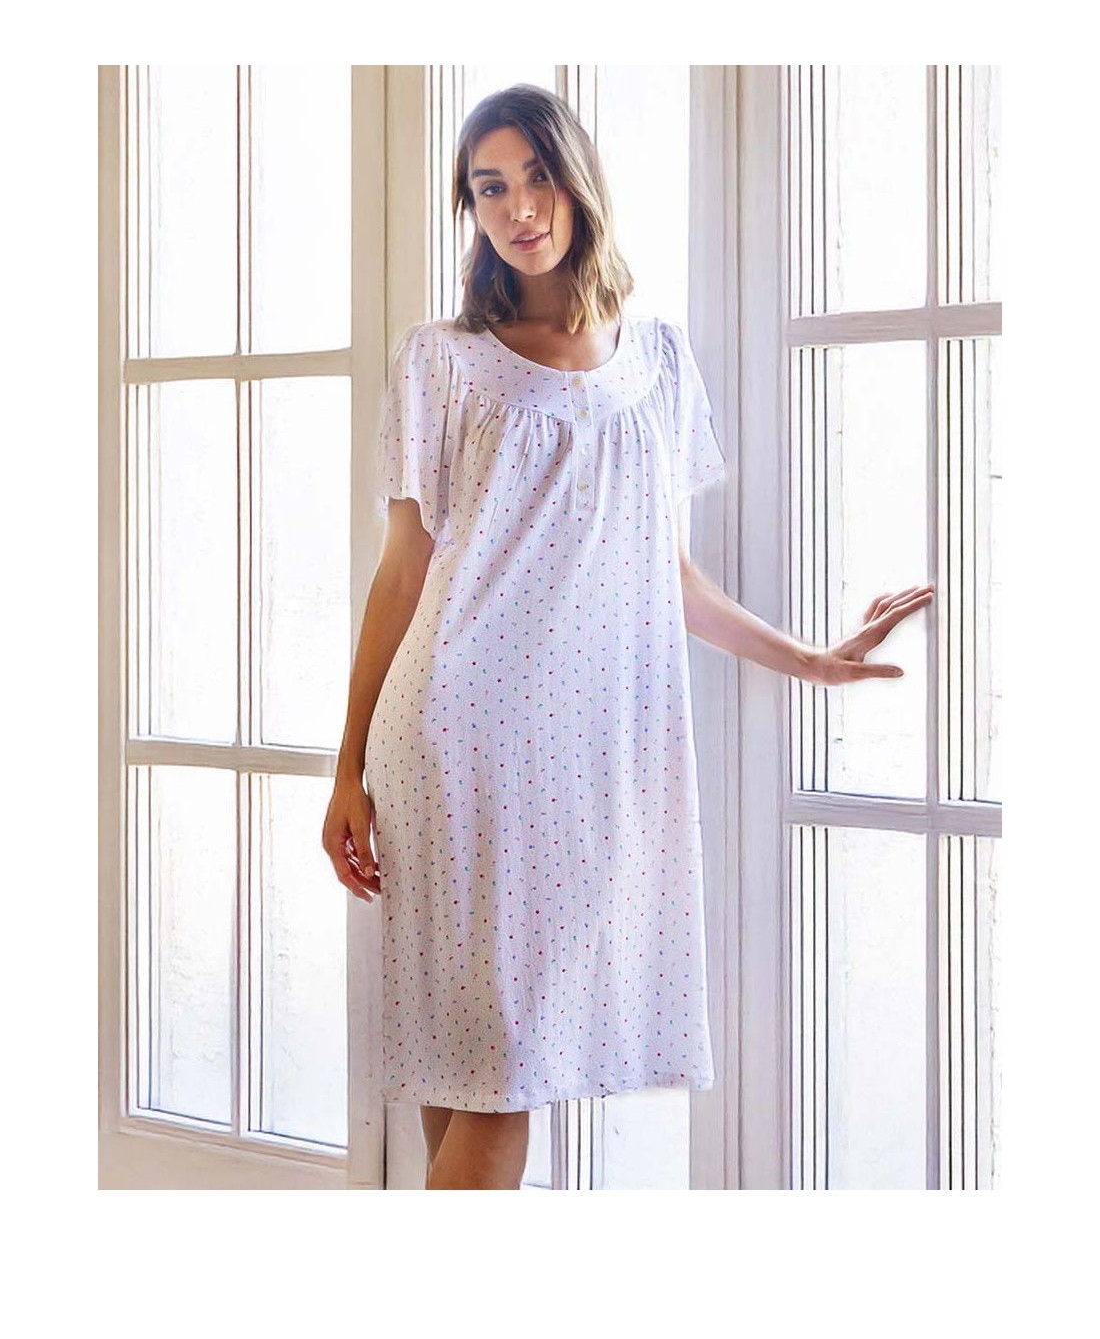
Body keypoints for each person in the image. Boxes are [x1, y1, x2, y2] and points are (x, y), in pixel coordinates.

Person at [322, 84, 934, 1191]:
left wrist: (812, 659)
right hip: (456, 744)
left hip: (591, 758)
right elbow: (403, 571)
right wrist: (346, 767)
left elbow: (666, 575)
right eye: (489, 188)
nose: (518, 208)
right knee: (487, 1080)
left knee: (487, 1072)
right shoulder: (442, 360)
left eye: (536, 177)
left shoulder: (657, 359)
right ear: (471, 209)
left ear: (578, 181)